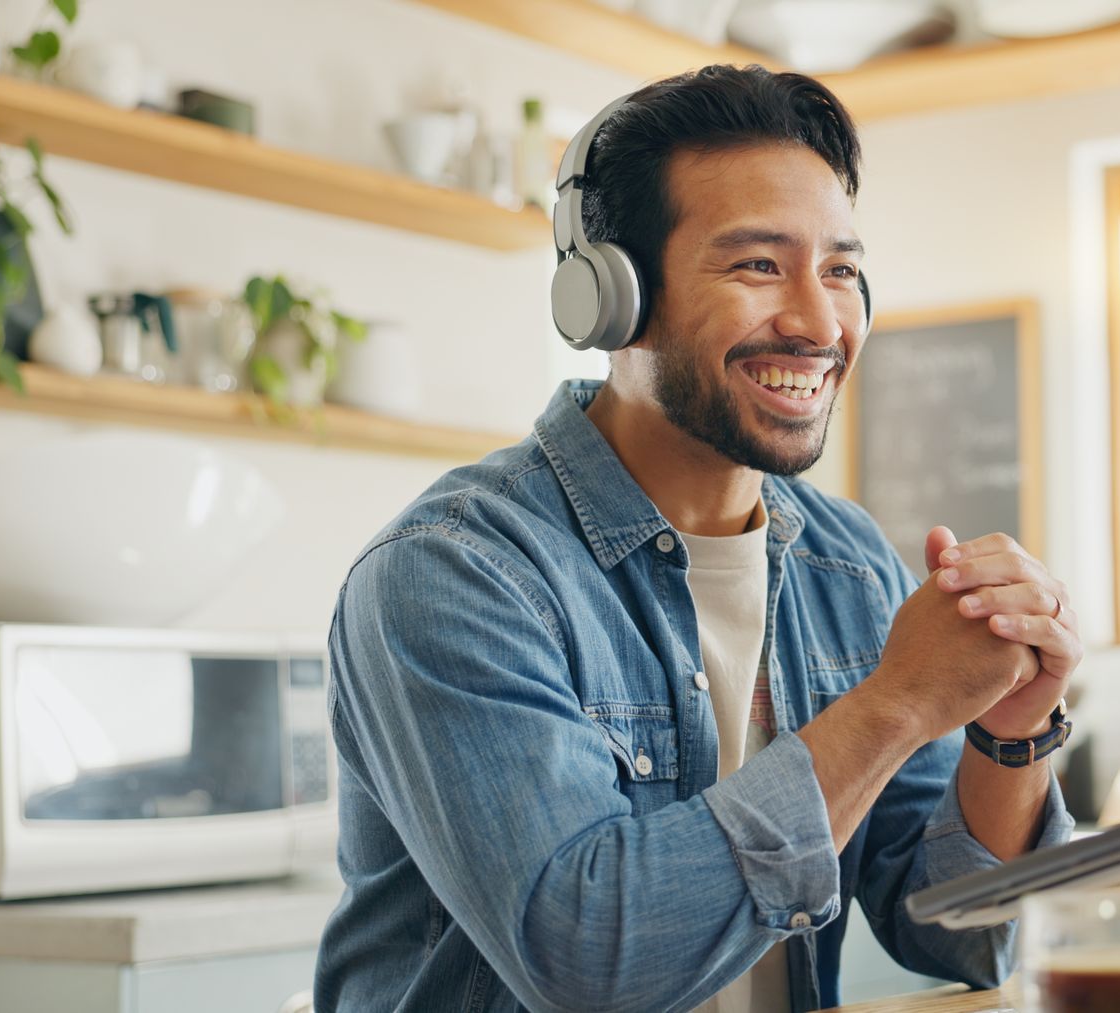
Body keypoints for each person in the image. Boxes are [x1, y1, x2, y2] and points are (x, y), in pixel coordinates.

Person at [314, 64, 1080, 1013]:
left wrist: (1011, 738)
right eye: (758, 264)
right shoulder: (453, 574)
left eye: (840, 270)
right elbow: (589, 959)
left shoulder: (849, 567)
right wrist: (896, 705)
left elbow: (965, 933)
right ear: (611, 298)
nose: (817, 321)